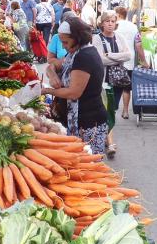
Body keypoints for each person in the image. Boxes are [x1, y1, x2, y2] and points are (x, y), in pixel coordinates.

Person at [43, 18, 108, 154]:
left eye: (65, 42)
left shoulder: (84, 56)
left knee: (89, 162)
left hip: (88, 122)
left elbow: (74, 93)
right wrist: (53, 75)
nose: (63, 46)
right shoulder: (74, 53)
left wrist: (47, 91)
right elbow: (52, 65)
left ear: (77, 38)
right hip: (79, 120)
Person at [93, 11, 132, 158]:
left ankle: (105, 136)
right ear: (102, 23)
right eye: (107, 21)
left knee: (113, 109)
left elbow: (128, 55)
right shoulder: (96, 38)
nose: (110, 24)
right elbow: (99, 59)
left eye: (113, 21)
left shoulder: (120, 37)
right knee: (106, 110)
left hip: (118, 80)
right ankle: (110, 142)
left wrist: (110, 55)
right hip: (103, 80)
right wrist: (118, 58)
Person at [115, 6, 147, 118]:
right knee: (126, 88)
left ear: (118, 15)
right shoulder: (134, 27)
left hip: (115, 61)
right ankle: (125, 111)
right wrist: (144, 61)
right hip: (129, 61)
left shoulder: (114, 26)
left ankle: (112, 111)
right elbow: (138, 45)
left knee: (114, 87)